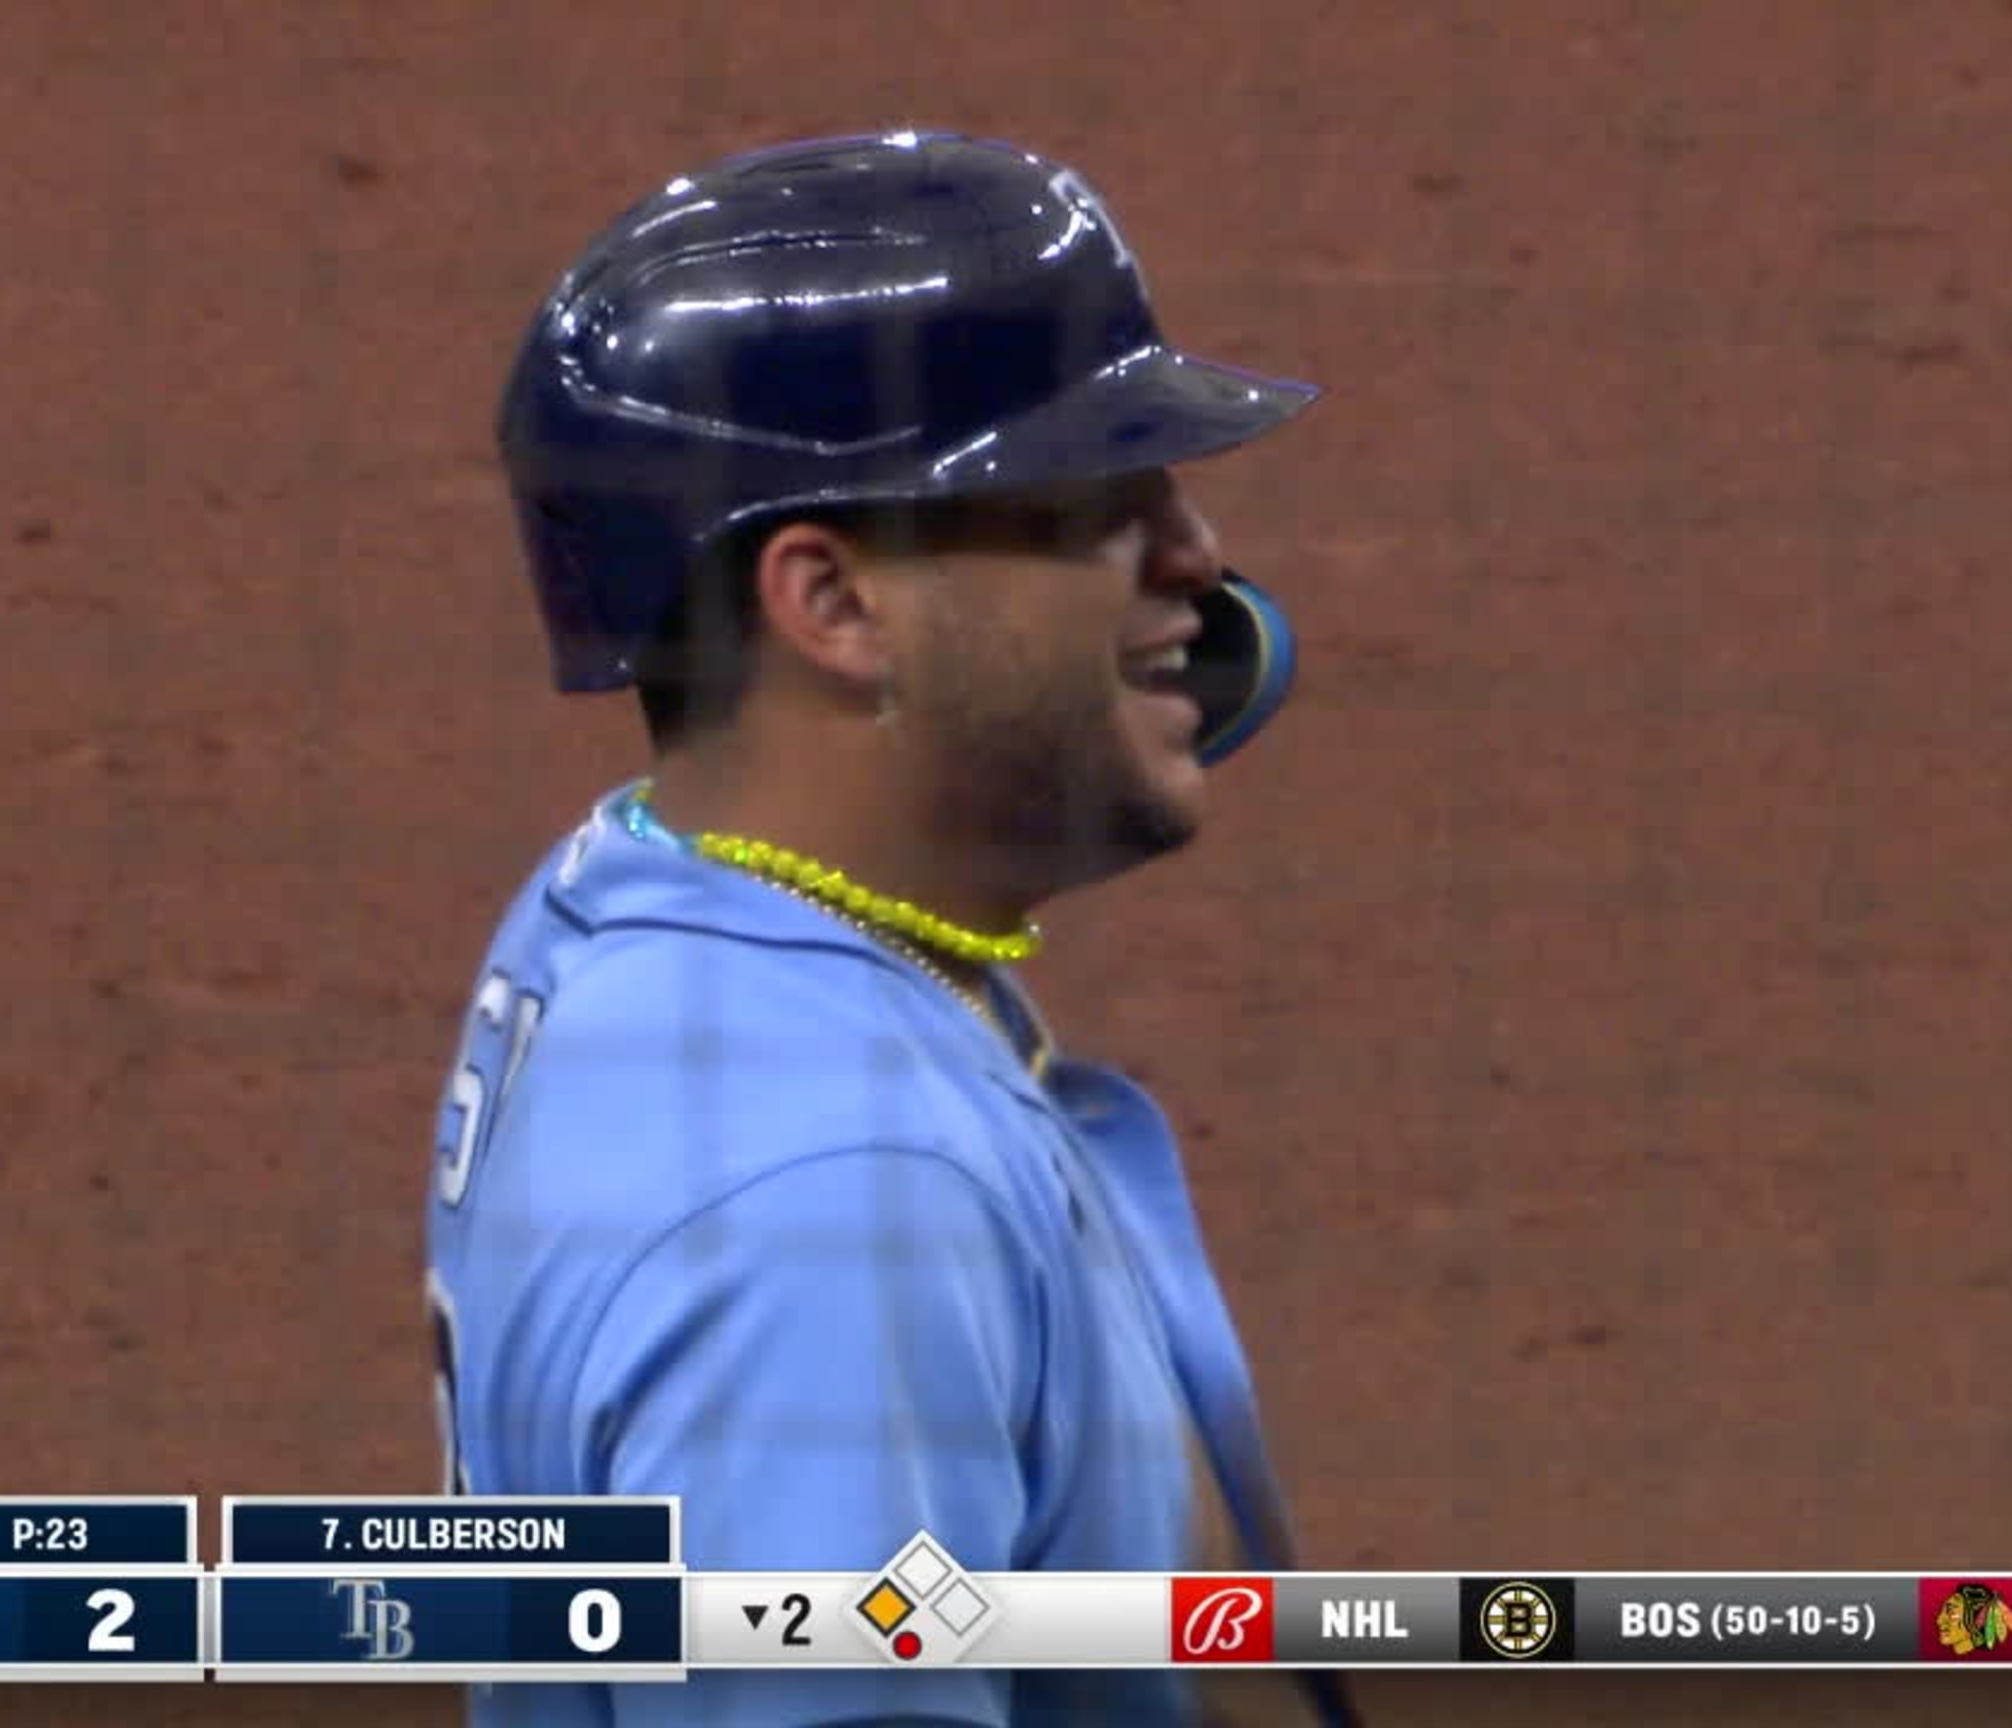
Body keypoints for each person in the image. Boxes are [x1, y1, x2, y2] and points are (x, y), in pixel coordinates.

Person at [424, 131, 1353, 1727]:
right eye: (1099, 502)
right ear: (835, 605)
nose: (1200, 560)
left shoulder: (646, 890)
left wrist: (1108, 684)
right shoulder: (834, 1213)